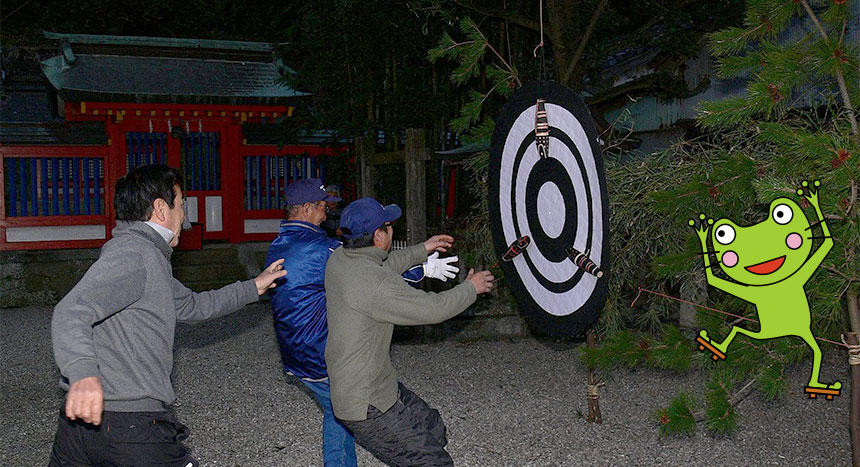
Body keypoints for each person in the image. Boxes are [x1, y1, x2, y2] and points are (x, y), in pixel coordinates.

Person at [49, 164, 286, 467]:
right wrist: (82, 374)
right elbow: (72, 310)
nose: (185, 215)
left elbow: (193, 306)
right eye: (182, 203)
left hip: (82, 427)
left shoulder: (145, 255)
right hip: (130, 426)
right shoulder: (135, 255)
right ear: (162, 208)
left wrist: (253, 287)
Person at [265, 179, 459, 466]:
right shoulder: (323, 250)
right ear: (305, 209)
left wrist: (420, 252)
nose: (326, 214)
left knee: (340, 410)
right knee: (351, 409)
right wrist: (424, 267)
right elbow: (374, 276)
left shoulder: (278, 244)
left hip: (294, 352)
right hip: (323, 353)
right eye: (321, 207)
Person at [324, 197, 494, 466]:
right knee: (434, 463)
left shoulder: (341, 259)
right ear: (379, 235)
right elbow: (434, 309)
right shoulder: (375, 285)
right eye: (389, 226)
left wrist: (422, 250)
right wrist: (471, 288)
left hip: (374, 383)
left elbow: (385, 265)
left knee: (432, 426)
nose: (393, 230)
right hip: (366, 402)